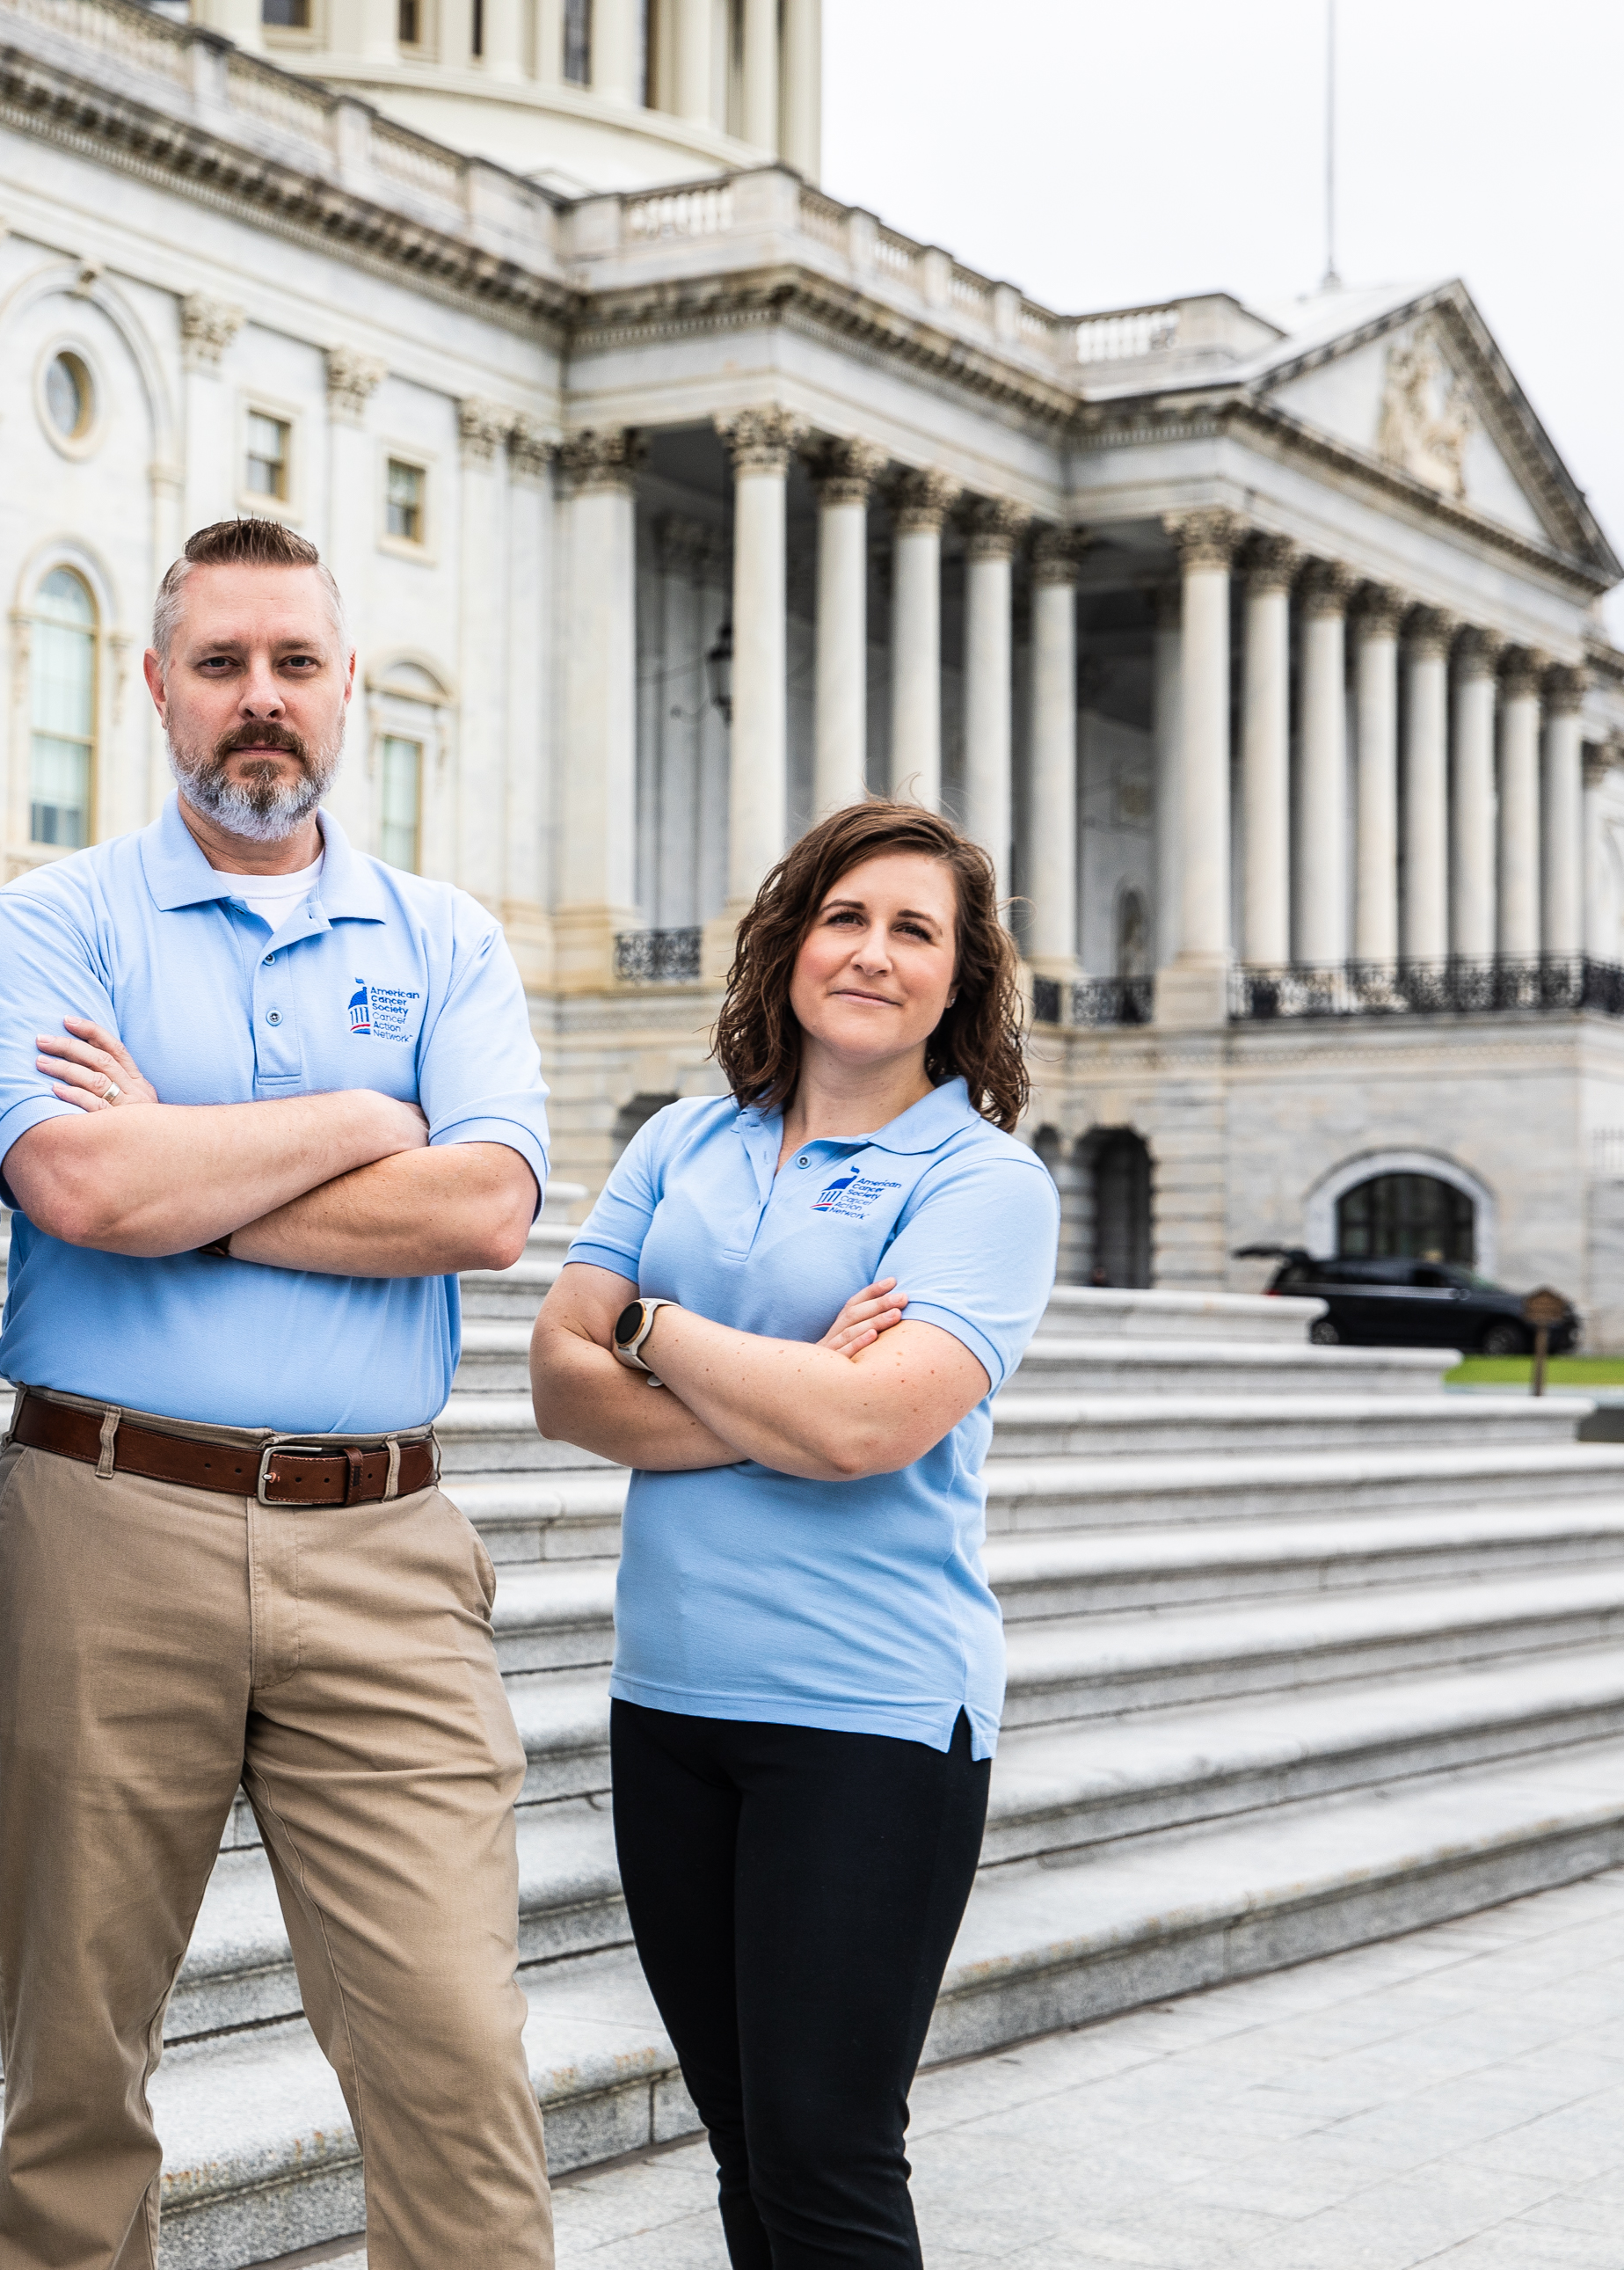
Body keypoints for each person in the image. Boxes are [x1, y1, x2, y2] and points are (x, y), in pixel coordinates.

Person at [0, 516, 557, 2270]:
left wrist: (186, 1160)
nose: (260, 702)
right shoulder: (49, 924)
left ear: (347, 684)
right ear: (152, 688)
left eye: (295, 663)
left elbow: (489, 1207)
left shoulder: (443, 942)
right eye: (220, 665)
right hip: (101, 1531)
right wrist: (371, 1122)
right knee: (73, 2079)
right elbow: (80, 1194)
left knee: (454, 2056)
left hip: (383, 1547)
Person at [528, 799, 1058, 2270]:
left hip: (871, 1716)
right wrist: (786, 1380)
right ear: (790, 939)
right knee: (746, 2145)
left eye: (915, 931)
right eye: (846, 916)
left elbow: (866, 1431)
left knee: (828, 2159)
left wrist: (656, 1323)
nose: (872, 954)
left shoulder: (985, 1184)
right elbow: (559, 1380)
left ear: (962, 980)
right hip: (674, 1704)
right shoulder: (686, 1138)